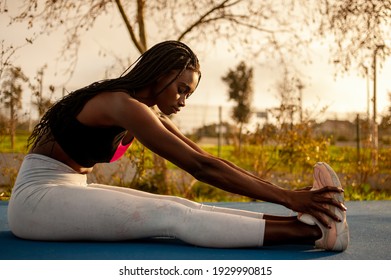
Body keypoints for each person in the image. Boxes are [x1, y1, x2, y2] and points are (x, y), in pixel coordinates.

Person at [7, 40, 349, 251]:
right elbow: (200, 170)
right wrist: (289, 198)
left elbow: (206, 157)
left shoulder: (142, 111)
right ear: (159, 75)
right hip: (38, 200)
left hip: (67, 190)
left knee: (178, 203)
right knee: (171, 216)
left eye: (190, 93)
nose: (183, 99)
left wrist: (288, 195)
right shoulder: (121, 105)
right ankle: (310, 231)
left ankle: (307, 225)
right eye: (182, 88)